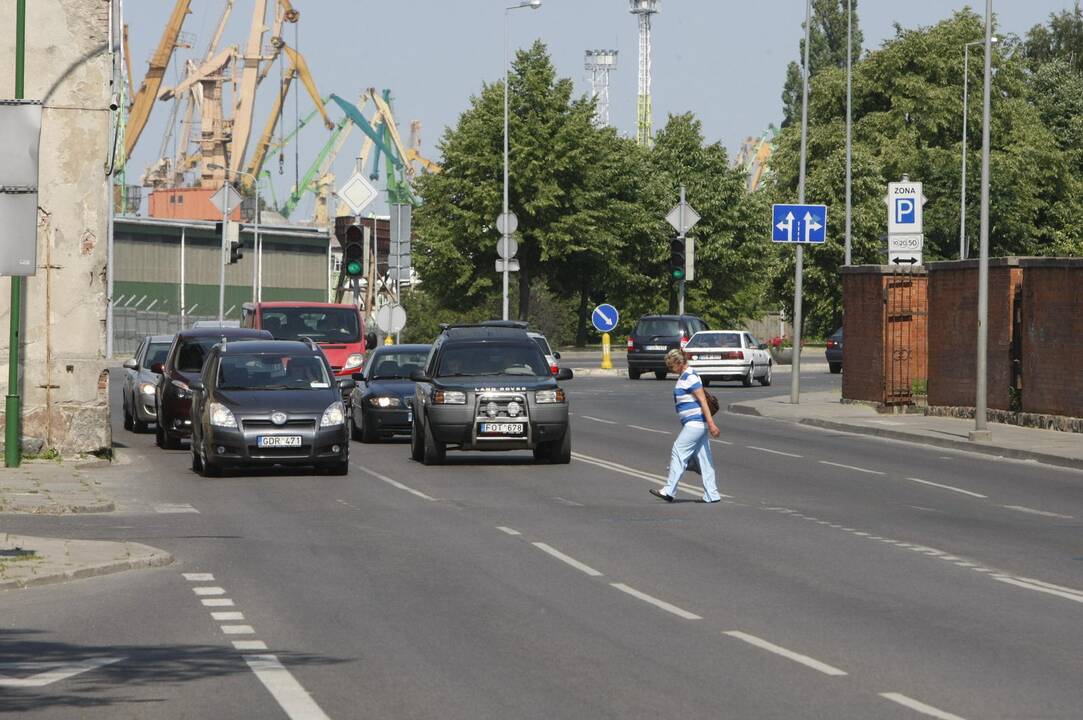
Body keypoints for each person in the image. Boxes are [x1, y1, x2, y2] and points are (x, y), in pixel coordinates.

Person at [650, 348, 723, 504]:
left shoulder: (690, 376)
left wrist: (711, 424)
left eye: (671, 366)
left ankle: (669, 491)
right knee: (705, 459)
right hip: (696, 423)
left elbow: (703, 401)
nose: (670, 369)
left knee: (678, 451)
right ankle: (712, 494)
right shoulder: (685, 375)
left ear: (679, 362)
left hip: (695, 423)